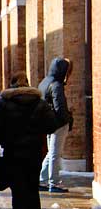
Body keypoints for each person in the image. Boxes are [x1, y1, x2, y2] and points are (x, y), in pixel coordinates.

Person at [0, 70, 59, 209]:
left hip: (13, 153)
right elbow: (52, 125)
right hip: (34, 153)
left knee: (18, 193)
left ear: (12, 83)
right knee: (32, 189)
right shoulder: (40, 103)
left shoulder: (4, 104)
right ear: (28, 83)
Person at [39, 57, 74, 194]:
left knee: (51, 153)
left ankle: (42, 179)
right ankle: (54, 182)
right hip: (58, 124)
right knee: (55, 153)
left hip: (47, 123)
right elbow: (59, 108)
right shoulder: (56, 85)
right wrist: (68, 119)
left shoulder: (45, 82)